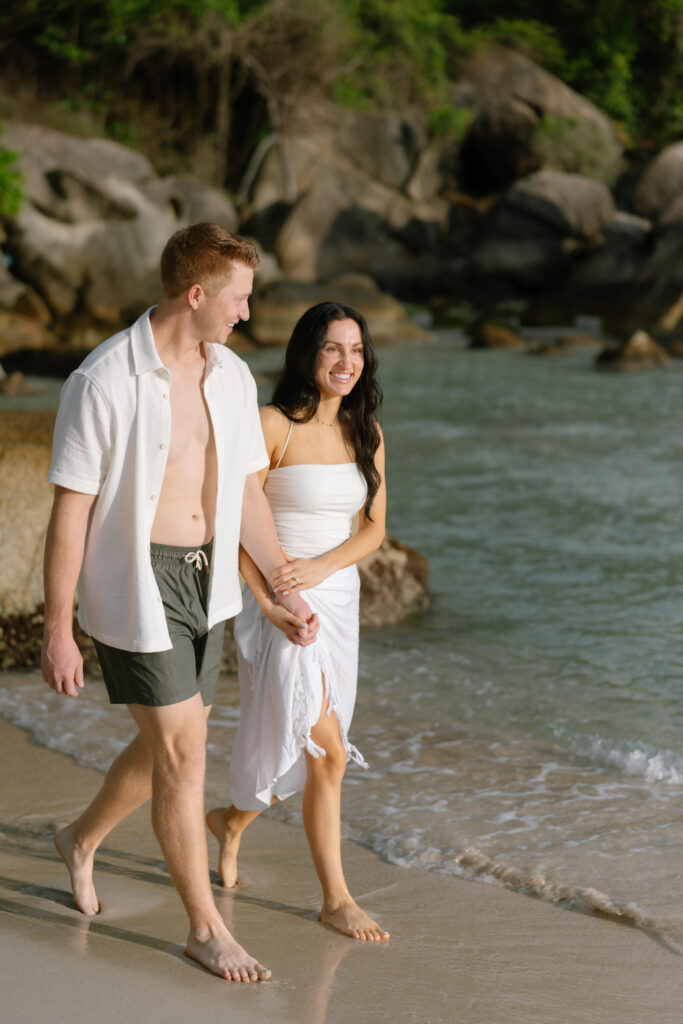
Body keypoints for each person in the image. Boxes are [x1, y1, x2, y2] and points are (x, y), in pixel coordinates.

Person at [41, 222, 319, 982]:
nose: (246, 315)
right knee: (184, 750)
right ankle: (205, 929)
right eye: (239, 299)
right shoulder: (103, 380)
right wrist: (58, 627)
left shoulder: (228, 375)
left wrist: (281, 584)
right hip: (137, 578)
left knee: (179, 734)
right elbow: (71, 509)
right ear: (196, 295)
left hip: (209, 583)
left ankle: (80, 839)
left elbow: (245, 489)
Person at [207, 301, 390, 942]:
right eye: (333, 349)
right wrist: (267, 598)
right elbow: (233, 517)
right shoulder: (273, 424)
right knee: (328, 751)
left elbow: (375, 529)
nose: (347, 362)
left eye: (357, 350)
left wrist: (322, 568)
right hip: (282, 604)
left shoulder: (365, 432)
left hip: (337, 598)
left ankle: (230, 822)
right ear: (309, 354)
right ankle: (336, 900)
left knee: (308, 744)